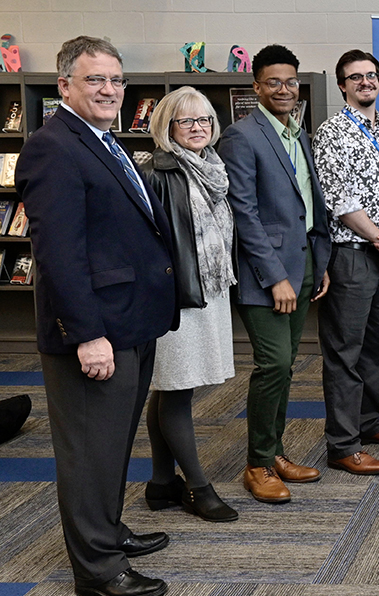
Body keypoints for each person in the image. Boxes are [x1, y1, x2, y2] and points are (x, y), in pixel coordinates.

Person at [15, 36, 175, 596]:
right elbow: (58, 256)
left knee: (112, 443)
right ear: (64, 87)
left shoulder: (100, 140)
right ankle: (98, 568)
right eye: (95, 80)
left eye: (116, 80)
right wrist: (87, 336)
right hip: (95, 332)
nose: (110, 90)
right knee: (88, 452)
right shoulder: (52, 147)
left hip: (128, 323)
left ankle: (107, 532)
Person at [219, 44, 331, 503]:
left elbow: (307, 204)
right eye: (273, 82)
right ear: (256, 87)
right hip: (266, 273)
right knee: (274, 364)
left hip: (303, 263)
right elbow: (243, 213)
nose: (283, 89)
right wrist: (275, 277)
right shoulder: (240, 136)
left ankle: (275, 451)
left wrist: (316, 264)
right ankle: (257, 464)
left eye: (290, 82)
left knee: (284, 370)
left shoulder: (297, 134)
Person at [312, 49, 379, 475]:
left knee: (378, 347)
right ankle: (342, 444)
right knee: (344, 352)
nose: (365, 83)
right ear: (342, 85)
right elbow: (338, 200)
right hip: (353, 257)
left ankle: (369, 423)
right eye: (355, 77)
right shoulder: (331, 133)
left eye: (371, 75)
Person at [140, 86, 238, 522]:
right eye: (187, 121)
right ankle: (198, 487)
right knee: (176, 390)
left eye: (205, 121)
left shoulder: (212, 168)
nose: (198, 128)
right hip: (177, 299)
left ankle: (162, 483)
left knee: (171, 388)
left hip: (208, 291)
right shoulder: (156, 173)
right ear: (168, 127)